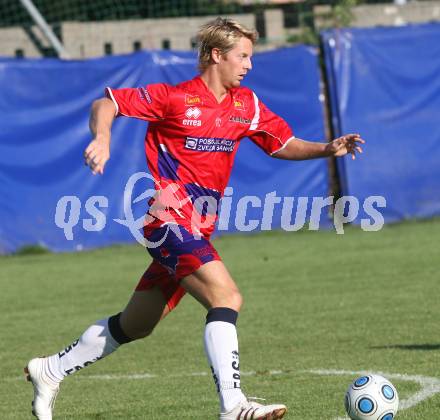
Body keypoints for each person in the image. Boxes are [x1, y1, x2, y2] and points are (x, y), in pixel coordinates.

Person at [25, 17, 364, 420]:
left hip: (197, 226)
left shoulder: (246, 106)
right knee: (227, 297)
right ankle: (234, 405)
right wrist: (102, 137)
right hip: (166, 220)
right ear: (216, 55)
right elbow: (107, 103)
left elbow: (282, 143)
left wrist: (327, 147)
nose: (249, 65)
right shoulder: (174, 98)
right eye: (243, 56)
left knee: (136, 325)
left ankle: (50, 370)